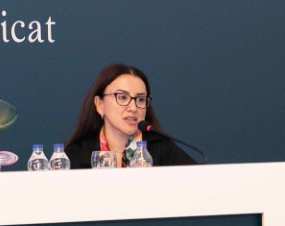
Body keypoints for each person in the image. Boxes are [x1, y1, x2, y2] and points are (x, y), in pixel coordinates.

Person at [64, 63, 197, 168]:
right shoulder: (74, 154)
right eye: (122, 97)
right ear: (100, 105)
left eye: (140, 99)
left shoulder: (163, 148)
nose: (133, 108)